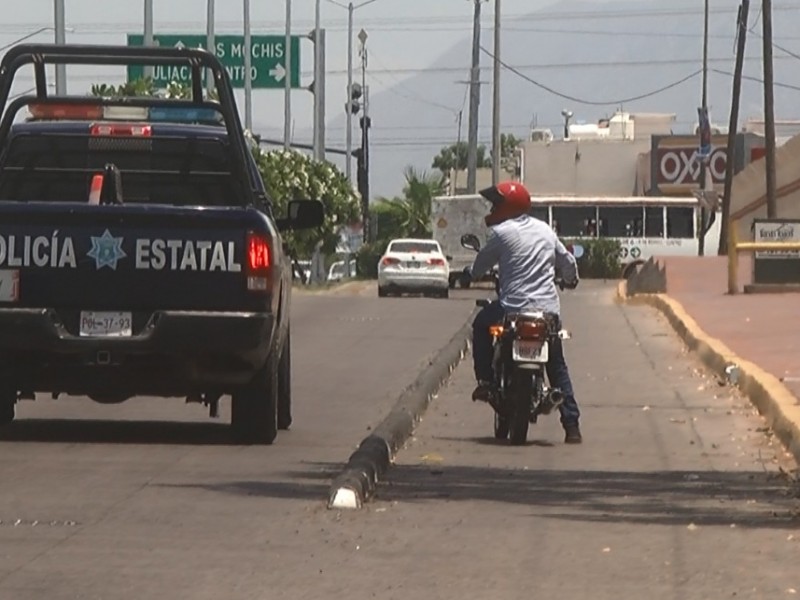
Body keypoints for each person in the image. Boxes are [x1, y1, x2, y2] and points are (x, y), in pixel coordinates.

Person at [466, 181, 583, 444]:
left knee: (480, 324)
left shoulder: (501, 233)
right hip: (547, 313)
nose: (493, 208)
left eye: (497, 203)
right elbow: (567, 262)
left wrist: (472, 274)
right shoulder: (545, 230)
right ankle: (572, 425)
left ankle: (485, 380)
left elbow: (480, 265)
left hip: (512, 310)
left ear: (508, 206)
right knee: (556, 366)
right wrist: (570, 279)